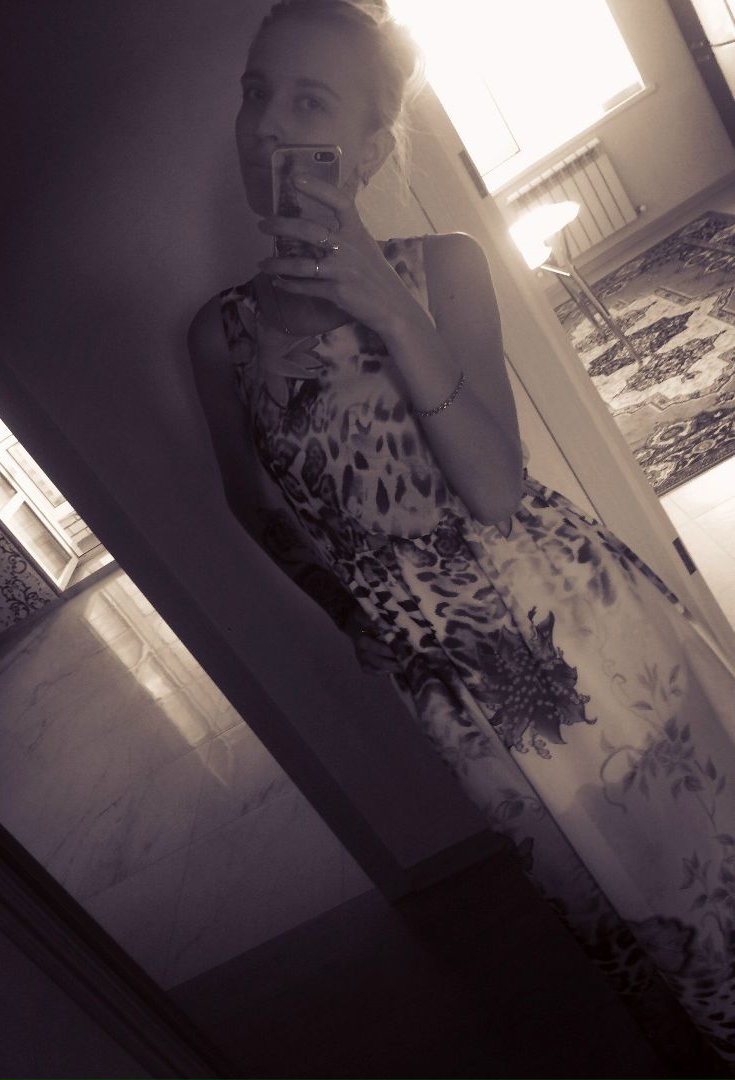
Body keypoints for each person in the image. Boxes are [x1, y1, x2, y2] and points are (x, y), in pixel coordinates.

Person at [188, 1, 735, 1072]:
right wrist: (357, 613)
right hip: (452, 684)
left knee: (706, 844)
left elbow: (493, 490)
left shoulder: (444, 268)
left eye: (308, 101)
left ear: (370, 149)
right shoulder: (221, 336)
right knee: (602, 898)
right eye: (257, 92)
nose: (267, 124)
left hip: (586, 616)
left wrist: (388, 307)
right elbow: (250, 503)